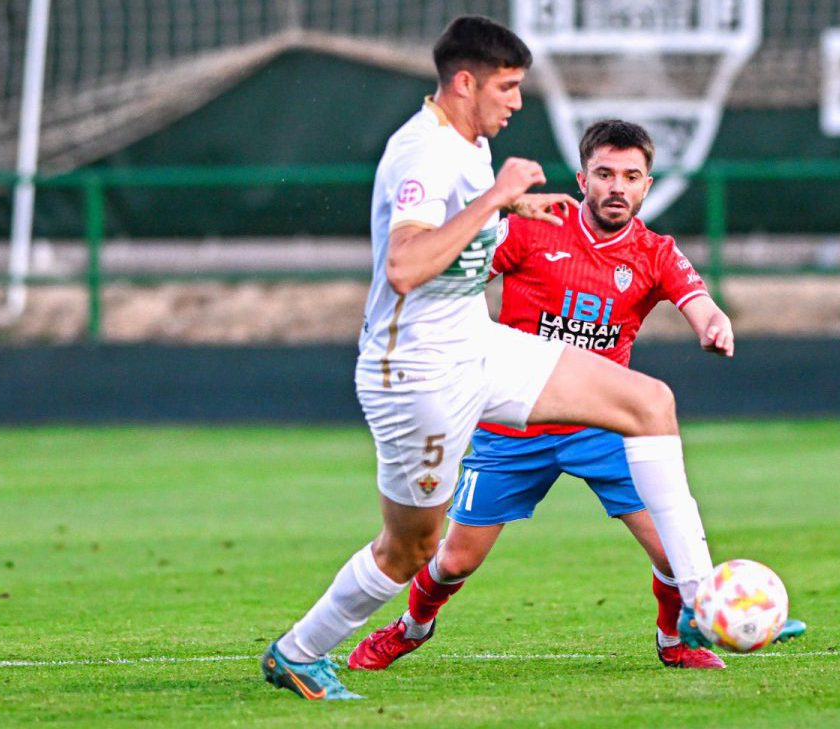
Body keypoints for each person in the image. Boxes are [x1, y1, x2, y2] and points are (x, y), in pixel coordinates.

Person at [261, 16, 719, 701]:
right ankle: (298, 651)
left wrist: (512, 208)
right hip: (416, 374)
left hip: (476, 345)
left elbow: (462, 239)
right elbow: (406, 265)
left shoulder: (470, 143)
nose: (517, 102)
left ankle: (703, 599)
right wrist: (498, 199)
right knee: (411, 549)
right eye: (507, 87)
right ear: (465, 82)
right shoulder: (426, 154)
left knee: (648, 400)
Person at [346, 120, 806, 674]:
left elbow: (697, 298)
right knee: (452, 559)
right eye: (605, 174)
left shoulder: (655, 252)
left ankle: (676, 639)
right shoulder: (536, 229)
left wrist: (713, 322)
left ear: (647, 186)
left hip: (602, 424)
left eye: (631, 176)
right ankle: (411, 627)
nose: (618, 186)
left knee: (670, 551)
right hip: (514, 425)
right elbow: (459, 282)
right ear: (583, 177)